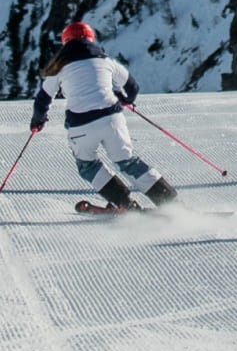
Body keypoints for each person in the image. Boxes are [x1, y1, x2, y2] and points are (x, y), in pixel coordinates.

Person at [31, 21, 178, 212]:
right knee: (128, 161)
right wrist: (125, 100)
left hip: (80, 125)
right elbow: (132, 87)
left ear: (65, 42)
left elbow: (43, 99)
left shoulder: (59, 67)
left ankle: (125, 204)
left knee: (87, 166)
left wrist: (38, 121)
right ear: (91, 39)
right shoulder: (106, 61)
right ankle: (171, 205)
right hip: (111, 119)